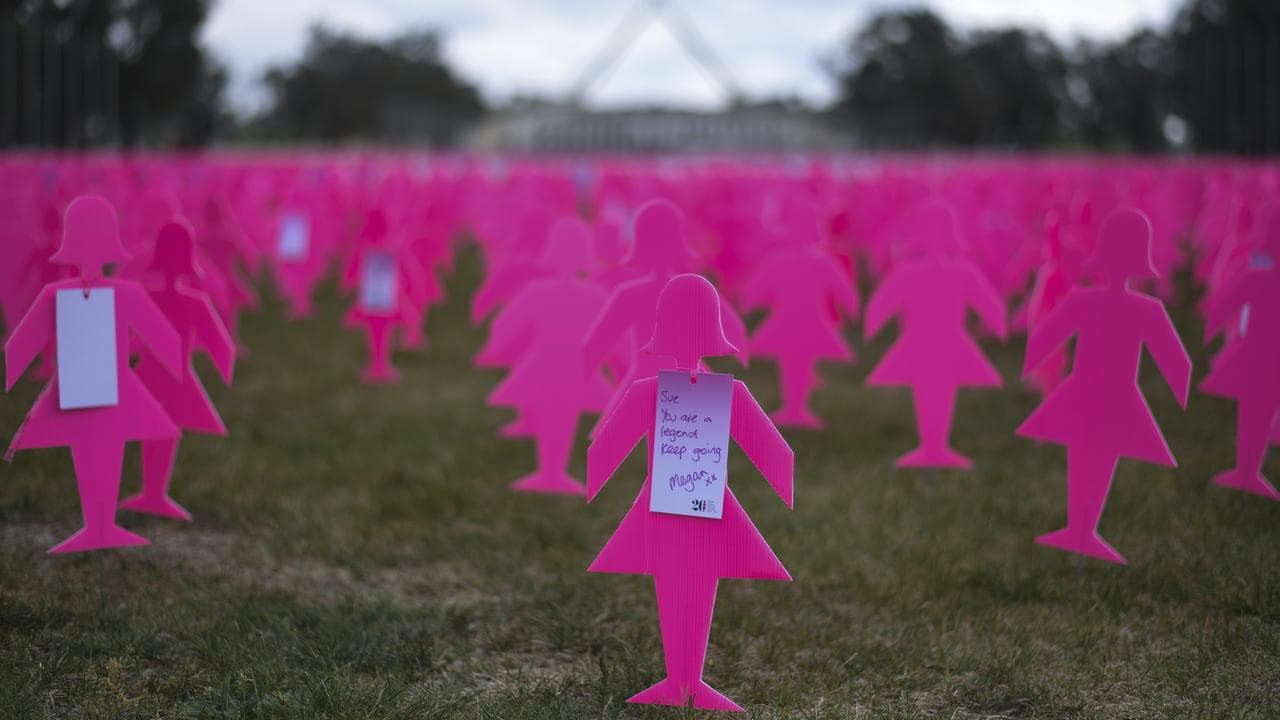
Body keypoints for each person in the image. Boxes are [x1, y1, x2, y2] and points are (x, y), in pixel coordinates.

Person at [587, 274, 793, 711]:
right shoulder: (707, 393)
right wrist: (783, 486)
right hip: (683, 505)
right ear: (714, 331)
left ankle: (686, 680)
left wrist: (594, 480)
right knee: (688, 573)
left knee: (686, 573)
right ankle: (685, 680)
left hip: (684, 506)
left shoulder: (667, 391)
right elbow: (776, 455)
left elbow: (603, 451)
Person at [4, 195, 182, 553]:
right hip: (101, 389)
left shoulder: (60, 294)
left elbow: (18, 350)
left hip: (91, 389)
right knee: (101, 441)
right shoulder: (121, 293)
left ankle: (100, 526)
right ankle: (99, 525)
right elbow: (168, 343)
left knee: (94, 441)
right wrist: (173, 366)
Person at [1017, 208, 1191, 564]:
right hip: (1106, 392)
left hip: (1097, 391)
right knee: (1093, 448)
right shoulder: (1140, 308)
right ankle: (1081, 530)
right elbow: (1178, 364)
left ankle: (1083, 530)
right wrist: (1181, 388)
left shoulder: (1093, 301)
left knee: (1090, 447)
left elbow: (1044, 337)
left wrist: (1032, 359)